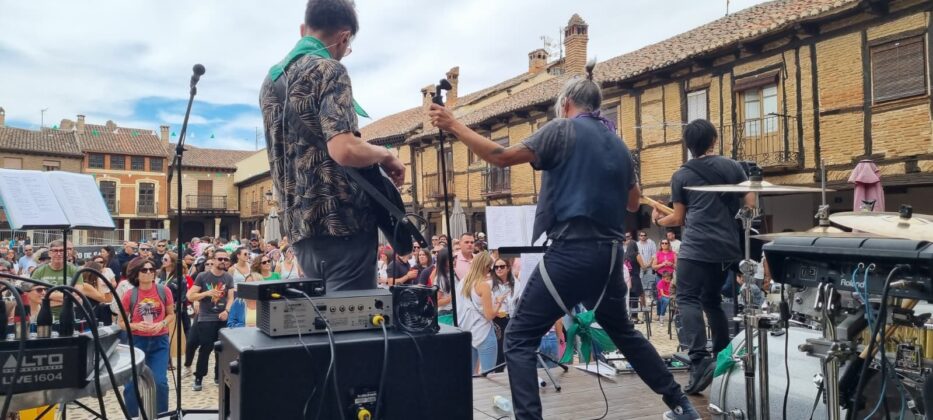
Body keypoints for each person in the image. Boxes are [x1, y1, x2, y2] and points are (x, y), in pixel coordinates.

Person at [429, 63, 699, 419]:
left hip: (572, 252)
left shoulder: (562, 130)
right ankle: (680, 403)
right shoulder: (619, 146)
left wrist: (453, 125)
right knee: (624, 332)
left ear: (567, 103)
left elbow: (501, 157)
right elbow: (633, 204)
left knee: (519, 338)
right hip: (610, 257)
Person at [260, 0, 404, 292]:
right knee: (352, 316)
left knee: (321, 314)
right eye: (347, 47)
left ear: (303, 30)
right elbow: (344, 149)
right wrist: (386, 154)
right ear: (344, 37)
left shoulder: (271, 81)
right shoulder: (329, 69)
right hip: (343, 223)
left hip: (300, 228)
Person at [652, 118, 753, 396]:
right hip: (726, 248)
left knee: (686, 298)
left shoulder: (681, 175)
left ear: (688, 145)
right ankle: (721, 354)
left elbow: (678, 218)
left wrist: (659, 221)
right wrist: (742, 214)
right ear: (714, 140)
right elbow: (750, 199)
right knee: (711, 300)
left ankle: (699, 360)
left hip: (696, 246)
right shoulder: (732, 166)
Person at [120, 257, 174, 417]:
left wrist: (162, 323)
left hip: (160, 341)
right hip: (137, 342)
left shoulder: (164, 291)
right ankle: (133, 416)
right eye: (144, 270)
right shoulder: (130, 295)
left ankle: (161, 416)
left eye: (152, 269)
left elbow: (171, 314)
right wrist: (136, 325)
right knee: (131, 385)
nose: (149, 272)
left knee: (160, 382)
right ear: (136, 274)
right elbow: (121, 322)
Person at [186, 250, 235, 391]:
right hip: (206, 317)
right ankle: (199, 377)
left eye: (225, 259)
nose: (223, 261)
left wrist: (227, 311)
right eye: (220, 259)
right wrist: (206, 293)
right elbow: (190, 296)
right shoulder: (203, 276)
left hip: (222, 317)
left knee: (221, 349)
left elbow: (230, 297)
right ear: (213, 260)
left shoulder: (228, 277)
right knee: (206, 348)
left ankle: (219, 376)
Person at [455, 251, 499, 374]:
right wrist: (498, 304)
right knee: (489, 375)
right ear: (485, 266)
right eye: (489, 267)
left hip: (467, 331)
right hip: (484, 332)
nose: (490, 270)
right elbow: (489, 315)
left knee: (469, 375)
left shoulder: (462, 283)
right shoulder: (483, 285)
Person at [30, 240, 79, 318]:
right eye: (55, 251)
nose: (58, 254)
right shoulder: (39, 271)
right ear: (49, 253)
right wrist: (66, 298)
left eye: (61, 251)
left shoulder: (74, 271)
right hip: (45, 315)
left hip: (68, 316)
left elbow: (77, 297)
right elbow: (33, 296)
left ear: (66, 253)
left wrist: (47, 296)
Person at [490, 257, 515, 373]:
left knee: (511, 348)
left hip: (511, 318)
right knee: (499, 350)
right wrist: (497, 303)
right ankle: (498, 373)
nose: (499, 269)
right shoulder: (491, 284)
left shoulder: (515, 283)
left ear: (508, 268)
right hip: (497, 320)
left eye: (502, 266)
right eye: (496, 267)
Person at [77, 261, 113, 326]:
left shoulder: (91, 284)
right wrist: (99, 281)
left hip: (93, 315)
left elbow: (107, 299)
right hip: (87, 316)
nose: (101, 275)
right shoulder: (85, 285)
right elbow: (102, 298)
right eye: (100, 273)